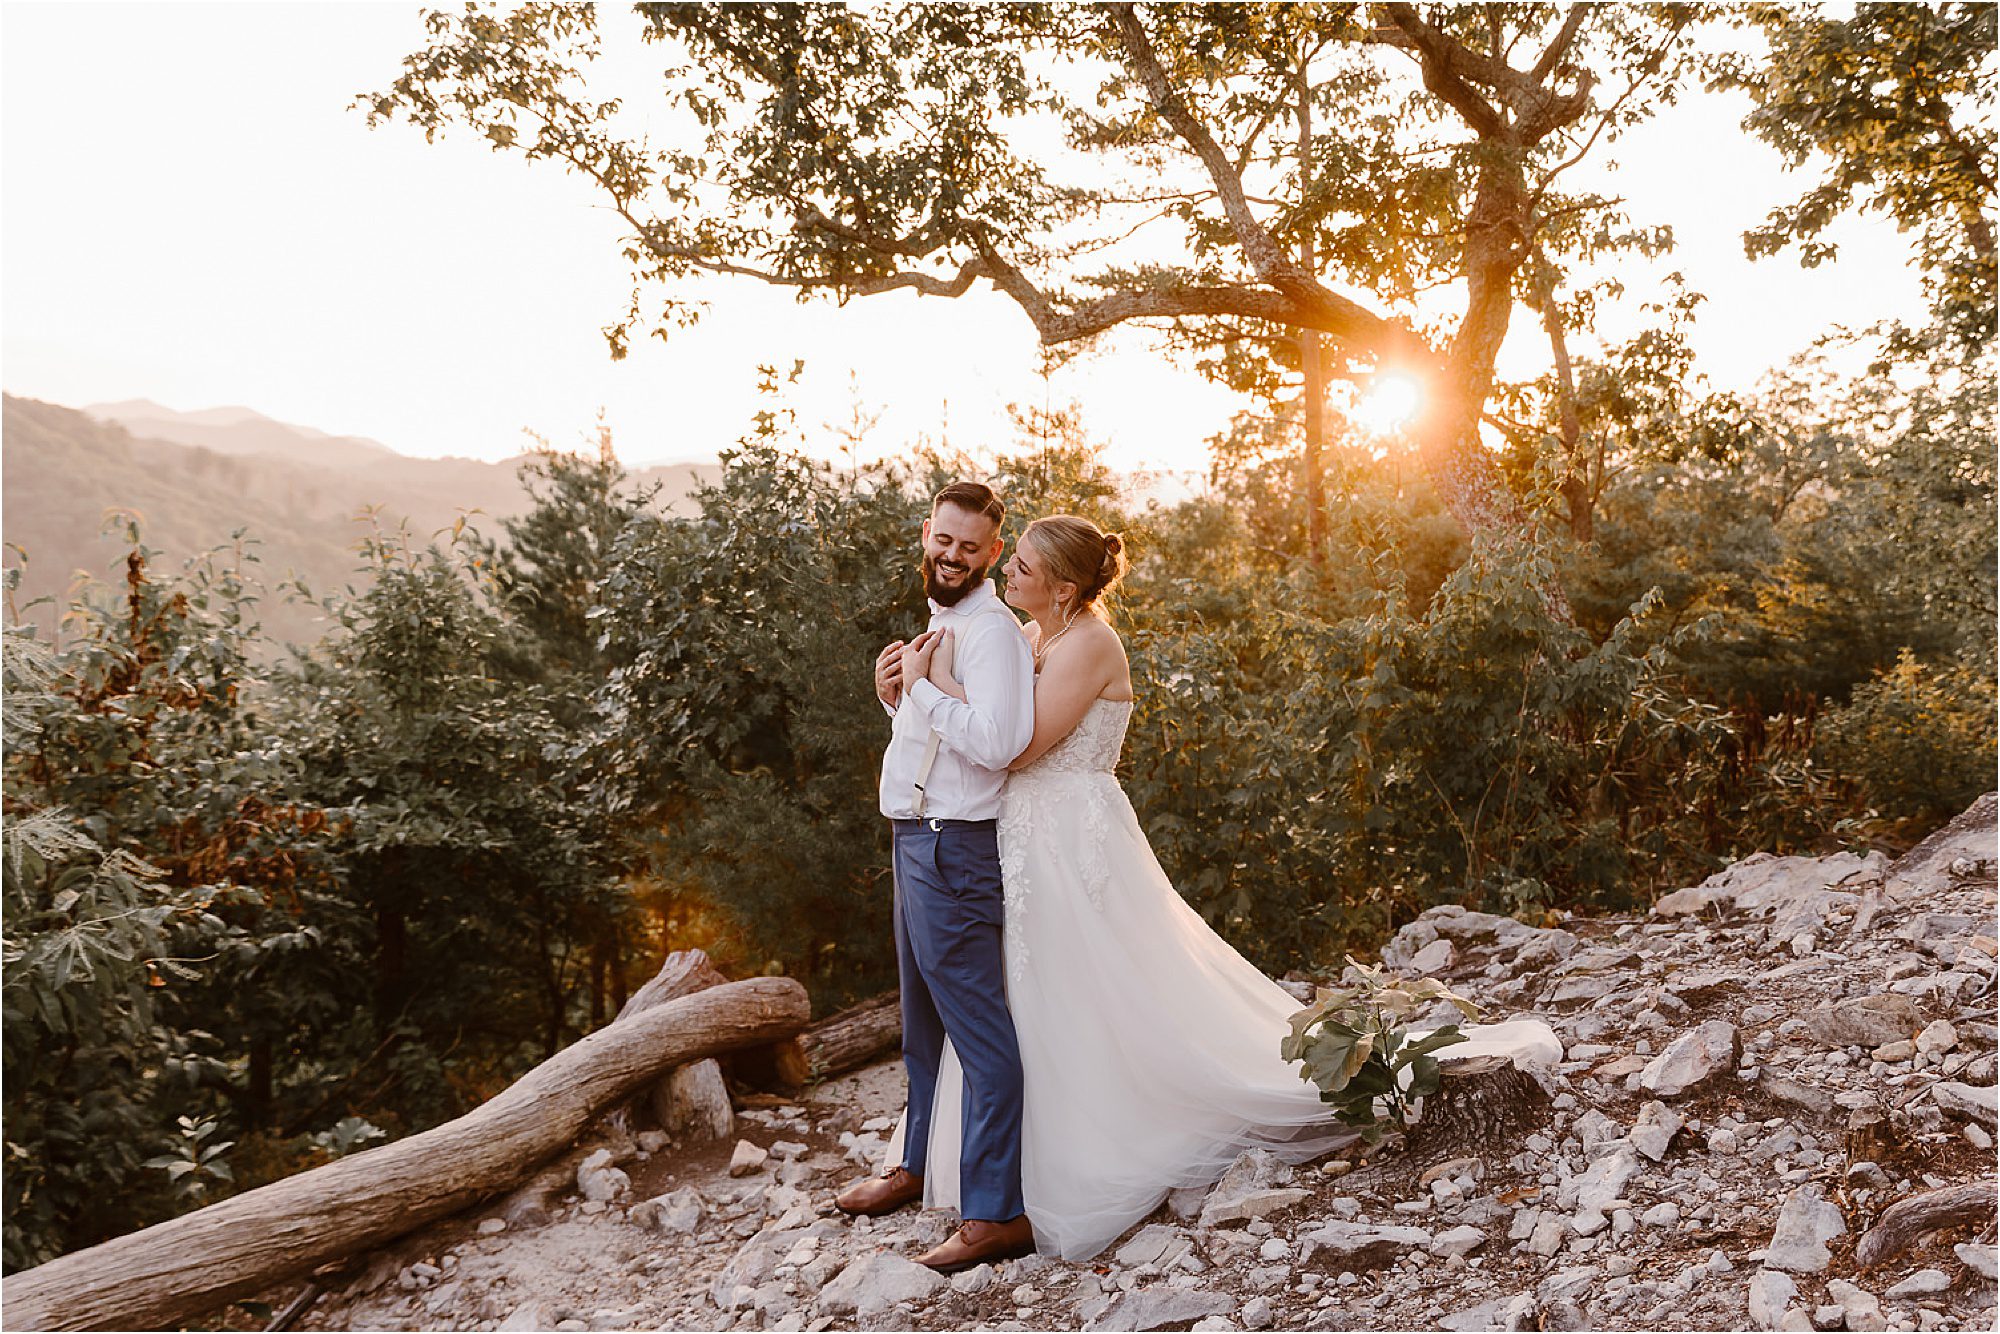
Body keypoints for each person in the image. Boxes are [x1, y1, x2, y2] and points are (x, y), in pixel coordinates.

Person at [911, 514, 1350, 1261]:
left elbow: (1014, 750)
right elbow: (986, 724)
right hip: (1020, 835)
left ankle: (1102, 1152)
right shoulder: (1034, 638)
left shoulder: (1090, 643)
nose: (1006, 573)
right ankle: (1004, 1173)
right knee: (1031, 997)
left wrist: (936, 684)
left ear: (1065, 587)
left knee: (1096, 988)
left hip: (1070, 829)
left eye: (1020, 566)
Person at [830, 480, 1040, 1274]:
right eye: (942, 541)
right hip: (913, 838)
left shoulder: (993, 634)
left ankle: (995, 1213)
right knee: (920, 1026)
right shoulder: (941, 620)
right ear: (928, 533)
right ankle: (916, 1166)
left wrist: (918, 687)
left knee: (982, 1038)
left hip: (954, 847)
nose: (951, 557)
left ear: (993, 551)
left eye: (969, 547)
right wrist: (897, 700)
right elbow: (938, 734)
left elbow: (997, 743)